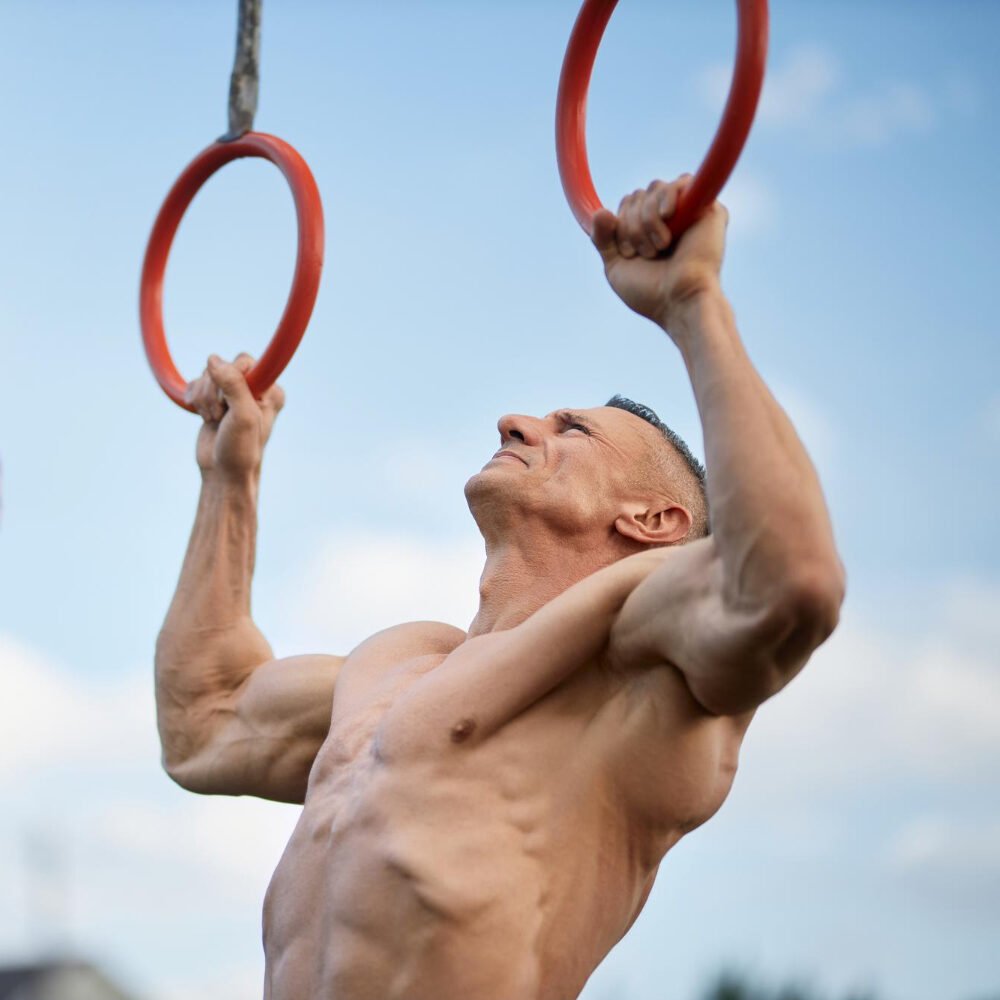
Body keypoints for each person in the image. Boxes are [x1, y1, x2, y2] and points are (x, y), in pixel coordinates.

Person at [155, 175, 845, 1000]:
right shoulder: (396, 666)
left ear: (655, 520)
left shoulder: (640, 665)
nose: (517, 422)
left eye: (573, 430)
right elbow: (203, 719)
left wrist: (694, 301)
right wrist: (230, 477)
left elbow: (791, 583)